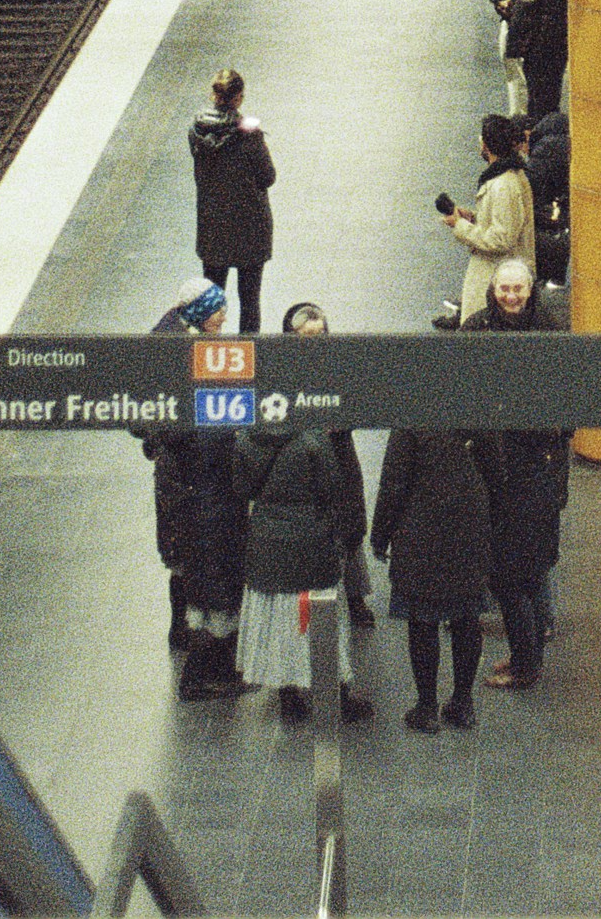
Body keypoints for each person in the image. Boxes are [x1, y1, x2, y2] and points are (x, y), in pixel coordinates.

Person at [465, 261, 572, 690]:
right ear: (494, 288)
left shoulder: (549, 332)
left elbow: (568, 404)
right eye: (505, 288)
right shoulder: (476, 329)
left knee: (514, 579)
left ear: (531, 290)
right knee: (529, 573)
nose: (512, 296)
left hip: (524, 479)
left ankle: (527, 663)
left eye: (519, 289)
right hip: (521, 476)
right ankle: (527, 651)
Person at [142, 280, 247, 698]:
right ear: (200, 314)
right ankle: (200, 672)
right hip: (197, 489)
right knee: (208, 576)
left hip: (186, 485)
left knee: (190, 568)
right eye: (218, 312)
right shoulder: (178, 353)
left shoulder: (170, 338)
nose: (225, 319)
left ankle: (183, 635)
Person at [233, 416, 372, 724]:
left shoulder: (246, 438)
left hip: (268, 540)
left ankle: (289, 698)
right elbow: (332, 487)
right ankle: (336, 693)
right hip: (311, 541)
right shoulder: (313, 438)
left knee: (280, 622)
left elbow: (241, 489)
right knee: (318, 617)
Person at [369, 426, 493, 730]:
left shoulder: (411, 419)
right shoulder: (476, 406)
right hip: (468, 525)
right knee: (467, 617)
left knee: (422, 620)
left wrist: (380, 536)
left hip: (421, 529)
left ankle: (426, 709)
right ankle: (463, 704)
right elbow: (495, 468)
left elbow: (393, 485)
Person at [279, 302, 377, 628]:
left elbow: (358, 405)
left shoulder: (340, 366)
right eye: (308, 336)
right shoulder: (281, 371)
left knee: (349, 531)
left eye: (320, 334)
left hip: (339, 457)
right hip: (303, 463)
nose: (316, 342)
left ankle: (356, 598)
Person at [185, 67, 277, 332]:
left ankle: (207, 356)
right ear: (238, 98)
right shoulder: (249, 133)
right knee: (249, 300)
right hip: (250, 226)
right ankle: (249, 359)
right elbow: (268, 176)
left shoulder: (196, 130)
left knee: (211, 301)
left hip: (213, 225)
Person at [437, 113, 536, 326]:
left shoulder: (503, 185)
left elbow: (502, 238)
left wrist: (460, 226)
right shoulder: (509, 176)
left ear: (487, 145)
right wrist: (473, 218)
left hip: (496, 272)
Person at [501, 0, 570, 118]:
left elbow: (528, 13)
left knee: (541, 98)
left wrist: (514, 47)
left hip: (544, 48)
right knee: (543, 96)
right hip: (546, 48)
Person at [522, 107, 572, 286]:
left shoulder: (543, 150)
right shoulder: (558, 134)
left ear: (526, 135)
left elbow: (530, 190)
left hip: (559, 225)